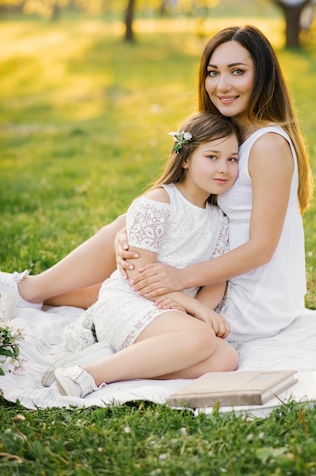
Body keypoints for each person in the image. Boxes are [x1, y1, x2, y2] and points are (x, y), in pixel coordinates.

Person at [0, 25, 312, 344]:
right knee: (128, 255)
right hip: (214, 267)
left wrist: (179, 277)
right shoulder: (229, 136)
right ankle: (33, 293)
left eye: (237, 71)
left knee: (134, 291)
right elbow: (188, 203)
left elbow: (261, 249)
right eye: (213, 72)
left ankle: (28, 291)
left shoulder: (268, 146)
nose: (222, 85)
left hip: (249, 294)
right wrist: (132, 238)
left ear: (262, 76)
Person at [53, 112, 240, 397]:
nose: (223, 168)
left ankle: (113, 363)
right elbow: (140, 277)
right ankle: (90, 375)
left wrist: (198, 311)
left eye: (232, 159)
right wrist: (195, 311)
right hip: (130, 303)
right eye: (212, 157)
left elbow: (216, 278)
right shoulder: (158, 203)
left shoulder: (219, 220)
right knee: (200, 337)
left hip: (172, 315)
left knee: (226, 358)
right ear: (186, 158)